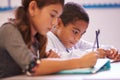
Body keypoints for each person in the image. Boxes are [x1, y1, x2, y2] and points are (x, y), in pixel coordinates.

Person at [0, 0, 98, 78]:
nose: (55, 22)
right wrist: (79, 62)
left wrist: (48, 60)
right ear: (33, 8)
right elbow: (33, 67)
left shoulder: (37, 38)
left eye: (57, 17)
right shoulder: (9, 30)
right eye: (52, 15)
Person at [46, 2, 120, 61]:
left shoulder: (75, 42)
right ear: (59, 23)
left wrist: (110, 51)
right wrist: (95, 53)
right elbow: (62, 57)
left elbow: (94, 47)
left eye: (82, 34)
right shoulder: (46, 39)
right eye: (75, 32)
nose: (78, 38)